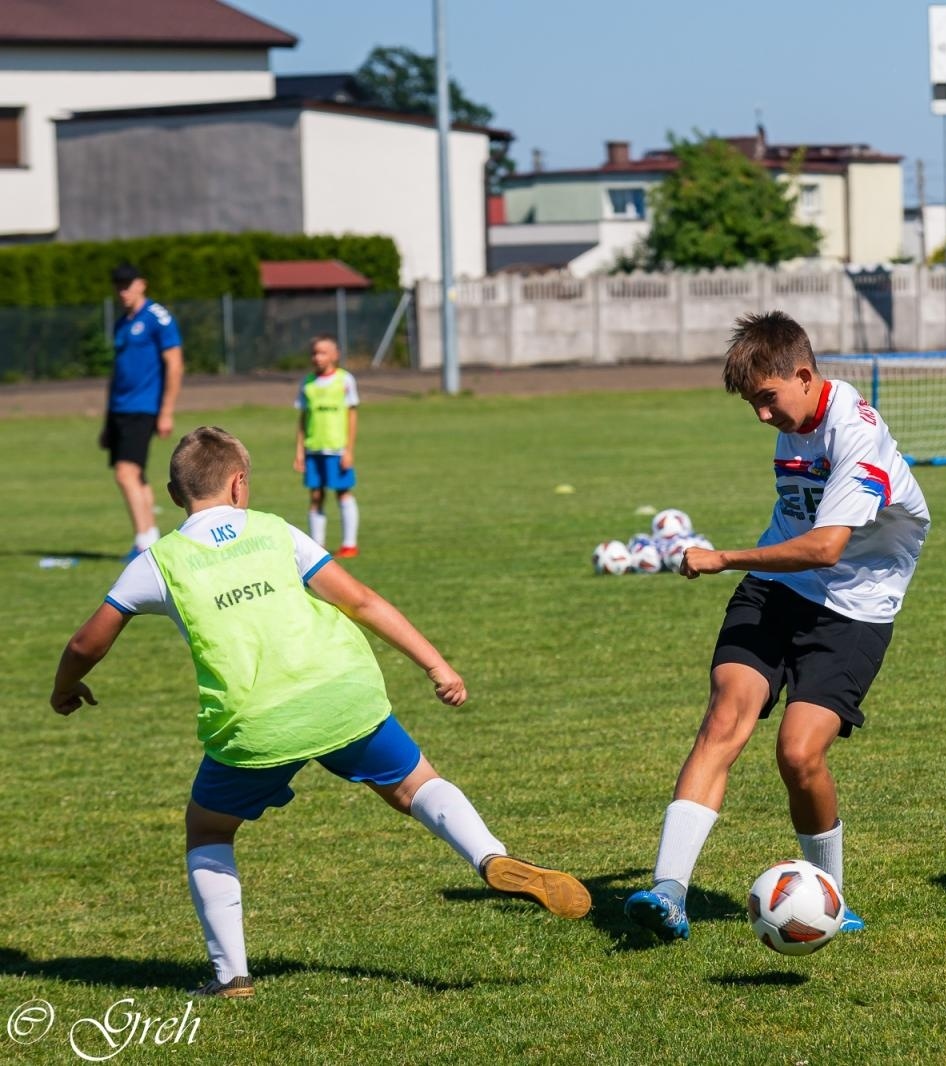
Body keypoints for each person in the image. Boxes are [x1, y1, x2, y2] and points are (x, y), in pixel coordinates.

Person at [49, 427, 590, 999]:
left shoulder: (159, 561)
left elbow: (89, 642)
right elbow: (361, 600)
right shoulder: (275, 531)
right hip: (341, 693)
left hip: (257, 723)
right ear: (239, 484)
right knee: (415, 785)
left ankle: (231, 975)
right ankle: (490, 857)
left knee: (208, 828)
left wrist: (67, 687)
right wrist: (437, 666)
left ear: (175, 492)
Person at [624, 311, 931, 942]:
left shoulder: (855, 432)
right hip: (775, 589)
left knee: (798, 754)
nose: (763, 417)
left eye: (767, 399)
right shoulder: (795, 418)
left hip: (855, 605)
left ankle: (830, 899)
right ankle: (668, 893)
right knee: (724, 718)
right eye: (751, 405)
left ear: (804, 374)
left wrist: (724, 556)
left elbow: (825, 548)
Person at [103, 263, 184, 562]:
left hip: (144, 406)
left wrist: (166, 411)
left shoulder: (157, 318)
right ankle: (150, 538)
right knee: (136, 475)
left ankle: (144, 544)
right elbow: (116, 372)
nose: (123, 291)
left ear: (142, 284)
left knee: (125, 474)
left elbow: (174, 364)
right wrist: (106, 420)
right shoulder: (121, 322)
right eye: (118, 285)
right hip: (120, 409)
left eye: (128, 284)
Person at [293, 335, 361, 557]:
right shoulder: (308, 383)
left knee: (342, 492)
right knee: (315, 495)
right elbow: (303, 419)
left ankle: (349, 544)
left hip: (337, 449)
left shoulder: (345, 380)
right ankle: (317, 547)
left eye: (322, 352)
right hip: (314, 449)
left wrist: (349, 450)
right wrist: (299, 450)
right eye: (314, 353)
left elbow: (352, 416)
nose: (317, 357)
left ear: (335, 355)